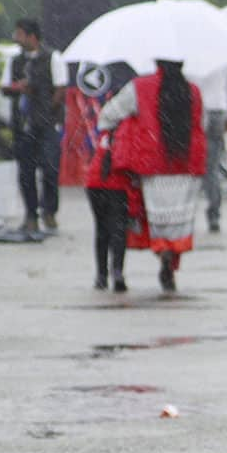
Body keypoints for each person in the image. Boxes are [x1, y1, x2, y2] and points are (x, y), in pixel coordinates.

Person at [98, 59, 207, 292]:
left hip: (153, 163)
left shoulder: (140, 87)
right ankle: (171, 261)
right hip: (187, 165)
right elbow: (201, 123)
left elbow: (107, 115)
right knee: (179, 223)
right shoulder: (193, 90)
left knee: (157, 220)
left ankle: (163, 254)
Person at [0, 18, 67, 234]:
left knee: (50, 168)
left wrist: (45, 107)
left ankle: (49, 209)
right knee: (26, 171)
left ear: (32, 36)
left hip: (47, 123)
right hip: (23, 123)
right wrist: (18, 88)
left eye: (20, 34)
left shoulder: (52, 58)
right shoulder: (15, 61)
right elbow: (5, 88)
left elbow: (60, 89)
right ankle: (31, 214)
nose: (17, 39)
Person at [82, 61, 137, 292]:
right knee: (118, 229)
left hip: (95, 181)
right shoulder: (132, 128)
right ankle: (117, 273)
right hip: (116, 183)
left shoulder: (107, 125)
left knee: (102, 228)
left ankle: (101, 276)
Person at [198, 66, 227, 233]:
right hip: (217, 112)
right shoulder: (224, 59)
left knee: (197, 166)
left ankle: (190, 213)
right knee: (212, 166)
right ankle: (213, 213)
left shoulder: (192, 54)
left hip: (197, 110)